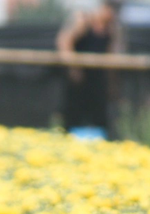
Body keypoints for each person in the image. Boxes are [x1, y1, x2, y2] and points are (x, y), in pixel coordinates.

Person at [55, 0, 126, 135]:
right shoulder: (83, 21)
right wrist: (74, 69)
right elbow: (64, 42)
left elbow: (114, 55)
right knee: (72, 119)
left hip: (98, 81)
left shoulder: (112, 29)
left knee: (99, 120)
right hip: (78, 81)